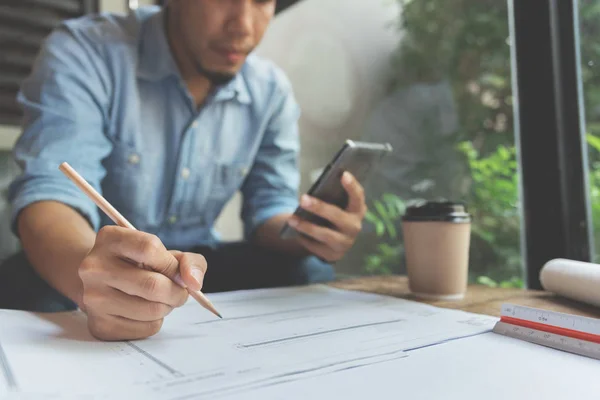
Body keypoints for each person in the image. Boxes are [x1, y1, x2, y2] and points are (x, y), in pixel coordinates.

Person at [0, 0, 367, 341]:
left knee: (309, 272)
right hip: (87, 256)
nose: (243, 25)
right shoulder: (87, 50)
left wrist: (310, 231)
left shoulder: (270, 92)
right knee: (30, 293)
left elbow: (268, 210)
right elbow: (50, 198)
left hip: (195, 266)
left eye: (262, 0)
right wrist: (90, 283)